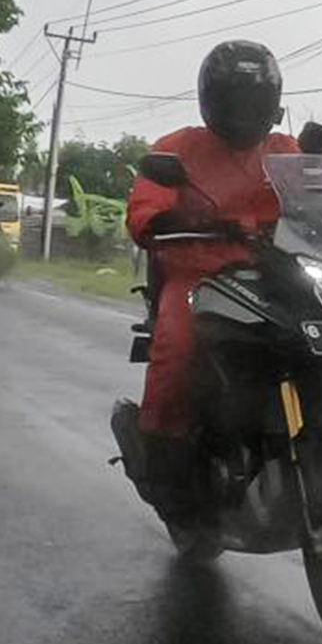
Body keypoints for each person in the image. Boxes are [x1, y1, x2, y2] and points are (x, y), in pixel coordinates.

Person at [119, 39, 300, 521]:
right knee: (178, 346)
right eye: (234, 103)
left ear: (272, 106)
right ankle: (161, 449)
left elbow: (316, 198)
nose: (243, 114)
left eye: (253, 104)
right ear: (211, 103)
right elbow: (144, 208)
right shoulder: (177, 149)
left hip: (275, 276)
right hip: (198, 275)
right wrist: (158, 223)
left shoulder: (286, 151)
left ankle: (321, 428)